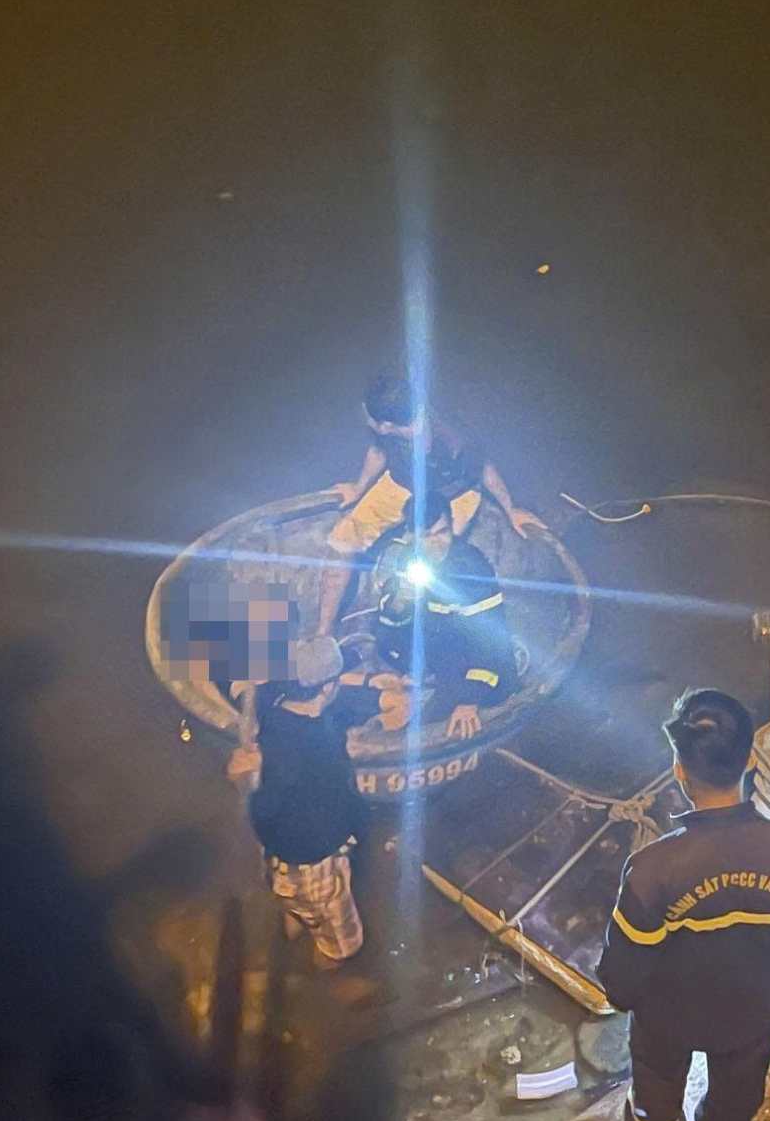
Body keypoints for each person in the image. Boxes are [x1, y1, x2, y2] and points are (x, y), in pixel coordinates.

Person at [597, 690, 770, 1121]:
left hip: (669, 1011)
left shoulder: (652, 868)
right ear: (749, 760)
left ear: (679, 770)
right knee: (739, 1085)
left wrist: (625, 996)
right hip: (752, 1001)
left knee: (657, 1077)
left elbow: (624, 970)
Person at [315, 371, 542, 639]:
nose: (365, 417)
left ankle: (420, 625)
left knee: (433, 561)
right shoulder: (387, 421)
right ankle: (323, 632)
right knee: (343, 540)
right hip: (401, 484)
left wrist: (510, 508)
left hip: (452, 495)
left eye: (373, 419)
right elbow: (379, 451)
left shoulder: (453, 438)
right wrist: (358, 488)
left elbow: (484, 469)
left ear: (387, 425)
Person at [227, 671, 375, 979]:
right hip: (311, 857)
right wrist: (245, 785)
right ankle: (332, 969)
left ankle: (297, 918)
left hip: (286, 853)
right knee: (339, 936)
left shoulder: (273, 717)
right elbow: (263, 811)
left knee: (293, 897)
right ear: (327, 686)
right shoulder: (304, 750)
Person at [371, 494, 518, 740]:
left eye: (442, 532)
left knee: (422, 731)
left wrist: (469, 700)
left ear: (452, 527)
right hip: (441, 653)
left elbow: (493, 642)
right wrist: (401, 601)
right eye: (426, 536)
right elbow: (389, 622)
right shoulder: (407, 559)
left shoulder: (469, 569)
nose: (436, 543)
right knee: (385, 639)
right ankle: (420, 680)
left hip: (475, 664)